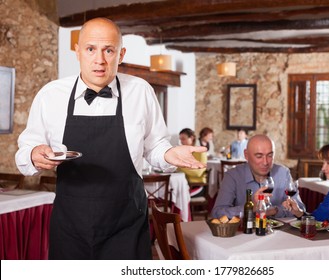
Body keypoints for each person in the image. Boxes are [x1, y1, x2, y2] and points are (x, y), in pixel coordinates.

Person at [15, 18, 206, 260]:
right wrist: (33, 155)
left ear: (121, 53)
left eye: (109, 50)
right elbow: (24, 153)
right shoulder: (50, 96)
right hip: (70, 227)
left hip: (126, 226)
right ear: (77, 51)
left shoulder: (141, 91)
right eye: (91, 49)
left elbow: (155, 147)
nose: (100, 60)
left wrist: (170, 154)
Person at [211, 134, 305, 219]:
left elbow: (300, 208)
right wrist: (252, 207)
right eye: (259, 156)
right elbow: (217, 213)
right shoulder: (232, 176)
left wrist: (275, 210)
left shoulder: (283, 173)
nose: (265, 162)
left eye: (270, 155)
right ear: (246, 155)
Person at [178, 128, 207, 197]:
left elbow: (198, 173)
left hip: (196, 186)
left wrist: (180, 166)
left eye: (183, 139)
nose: (181, 142)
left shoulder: (201, 152)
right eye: (180, 139)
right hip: (184, 185)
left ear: (191, 138)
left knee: (180, 198)